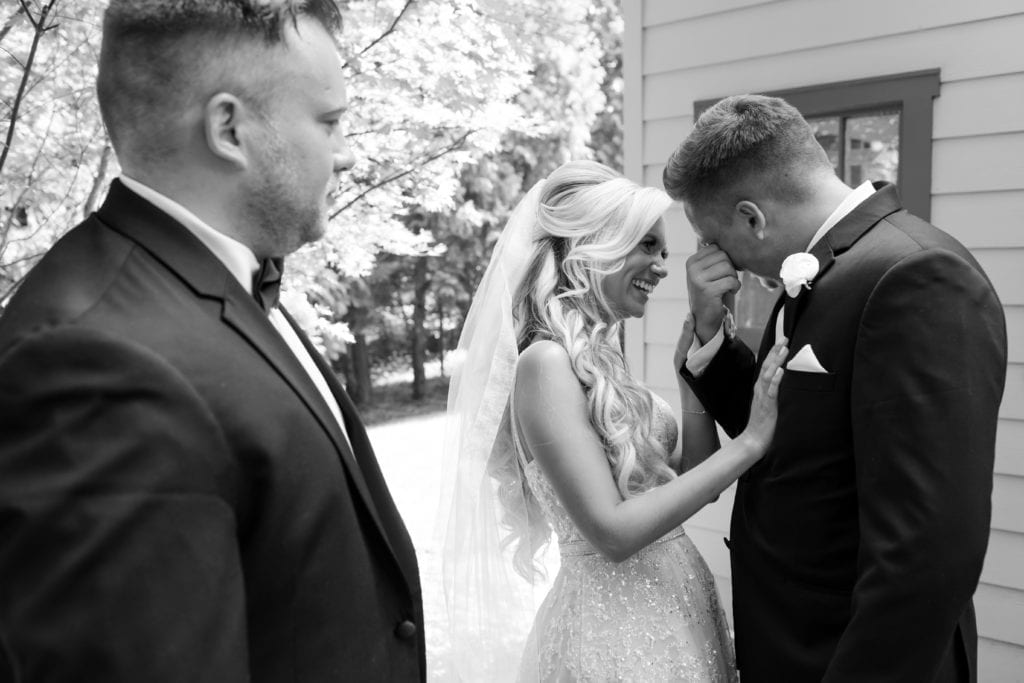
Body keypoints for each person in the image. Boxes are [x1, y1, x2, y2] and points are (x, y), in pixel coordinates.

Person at [0, 2, 424, 680]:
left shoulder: (223, 282)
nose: (349, 154)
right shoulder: (95, 364)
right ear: (229, 127)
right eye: (330, 122)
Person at [664, 94, 1008, 682]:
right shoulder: (824, 271)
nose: (718, 259)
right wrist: (709, 332)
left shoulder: (915, 276)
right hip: (794, 645)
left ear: (752, 217)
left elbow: (927, 553)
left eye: (713, 239)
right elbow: (787, 430)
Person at [439, 159, 788, 681]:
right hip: (615, 635)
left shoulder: (601, 363)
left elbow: (699, 476)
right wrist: (752, 442)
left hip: (674, 610)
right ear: (593, 246)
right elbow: (613, 533)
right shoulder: (544, 364)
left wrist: (689, 379)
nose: (664, 266)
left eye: (664, 251)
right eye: (647, 246)